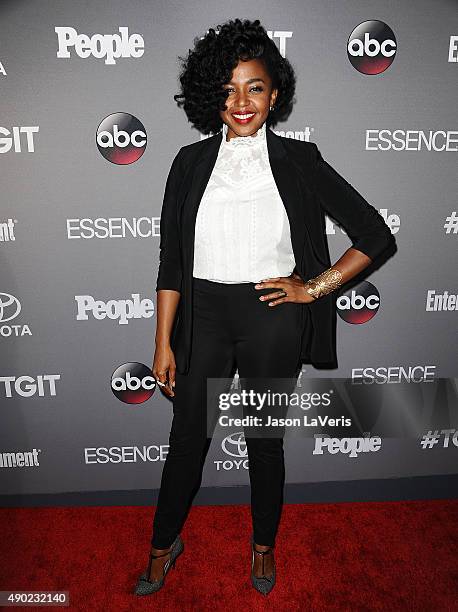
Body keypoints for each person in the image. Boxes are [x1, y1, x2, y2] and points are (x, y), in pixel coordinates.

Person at [134, 18, 395, 597]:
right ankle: (162, 544)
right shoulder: (188, 162)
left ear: (275, 94)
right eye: (228, 89)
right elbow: (171, 262)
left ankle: (262, 546)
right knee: (188, 441)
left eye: (255, 87)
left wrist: (313, 287)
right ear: (212, 96)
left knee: (264, 441)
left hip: (271, 316)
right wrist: (161, 343)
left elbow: (375, 235)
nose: (242, 101)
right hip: (201, 315)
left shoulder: (300, 160)